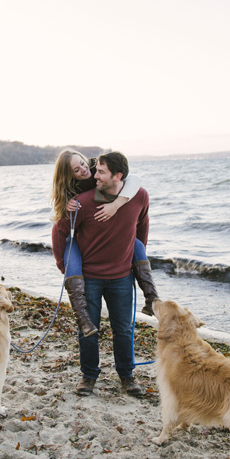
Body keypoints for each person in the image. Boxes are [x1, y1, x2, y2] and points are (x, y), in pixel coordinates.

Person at [52, 151, 150, 397]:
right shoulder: (81, 201)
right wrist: (63, 264)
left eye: (97, 170)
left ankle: (127, 376)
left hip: (121, 276)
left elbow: (142, 226)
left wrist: (135, 254)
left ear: (117, 176)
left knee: (124, 329)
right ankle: (89, 376)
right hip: (91, 276)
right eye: (84, 169)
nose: (92, 173)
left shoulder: (138, 196)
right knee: (88, 328)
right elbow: (59, 230)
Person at [50, 150, 161, 338]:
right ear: (68, 176)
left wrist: (116, 204)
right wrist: (62, 264)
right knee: (71, 262)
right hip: (77, 237)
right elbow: (60, 228)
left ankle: (151, 296)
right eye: (77, 170)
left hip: (112, 240)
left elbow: (133, 179)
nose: (85, 171)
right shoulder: (70, 190)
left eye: (83, 163)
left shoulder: (98, 168)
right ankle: (82, 317)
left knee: (137, 245)